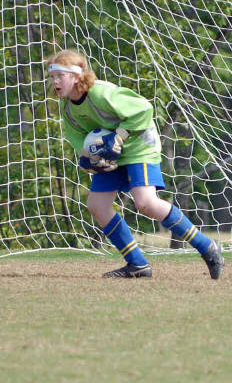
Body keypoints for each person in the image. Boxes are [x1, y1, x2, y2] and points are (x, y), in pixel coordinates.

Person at [47, 49, 224, 279]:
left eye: (60, 76)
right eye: (52, 77)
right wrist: (89, 160)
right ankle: (137, 264)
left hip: (139, 145)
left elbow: (144, 109)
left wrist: (119, 136)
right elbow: (78, 138)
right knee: (97, 205)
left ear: (77, 75)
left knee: (146, 202)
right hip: (112, 153)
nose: (55, 81)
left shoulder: (100, 93)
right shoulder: (67, 107)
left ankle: (207, 247)